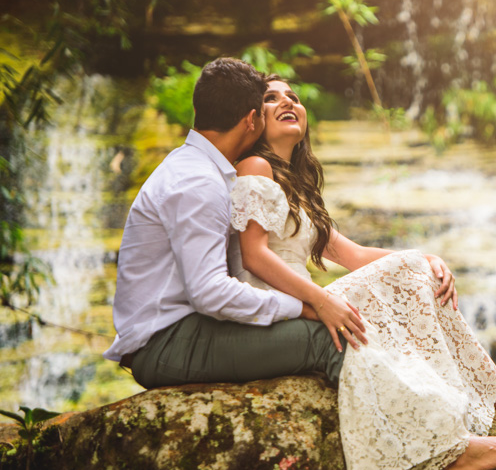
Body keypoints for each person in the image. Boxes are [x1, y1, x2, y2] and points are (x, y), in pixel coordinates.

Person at [228, 74, 496, 470]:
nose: (287, 103)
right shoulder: (256, 167)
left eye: (294, 97)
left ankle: (492, 389)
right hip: (280, 303)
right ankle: (476, 420)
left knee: (418, 268)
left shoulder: (295, 183)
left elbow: (353, 256)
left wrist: (426, 258)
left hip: (305, 299)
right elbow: (253, 256)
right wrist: (321, 301)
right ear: (253, 119)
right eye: (271, 98)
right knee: (409, 273)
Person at [103, 58, 343, 389]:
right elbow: (210, 293)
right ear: (252, 120)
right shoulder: (199, 182)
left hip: (185, 331)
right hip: (166, 344)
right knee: (329, 341)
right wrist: (303, 307)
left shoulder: (197, 168)